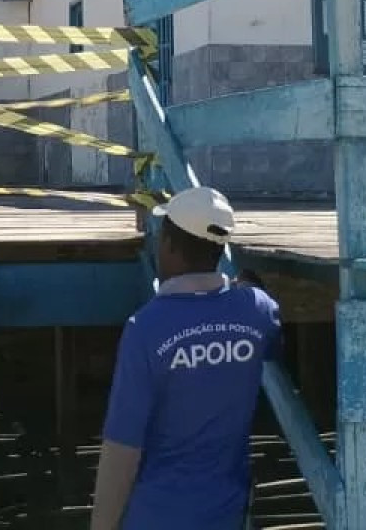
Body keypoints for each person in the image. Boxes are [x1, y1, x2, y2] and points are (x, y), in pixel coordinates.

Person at [90, 185, 282, 530]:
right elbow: (269, 327)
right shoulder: (257, 312)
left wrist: (102, 525)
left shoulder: (145, 328)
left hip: (155, 515)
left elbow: (123, 446)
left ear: (168, 246)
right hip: (225, 512)